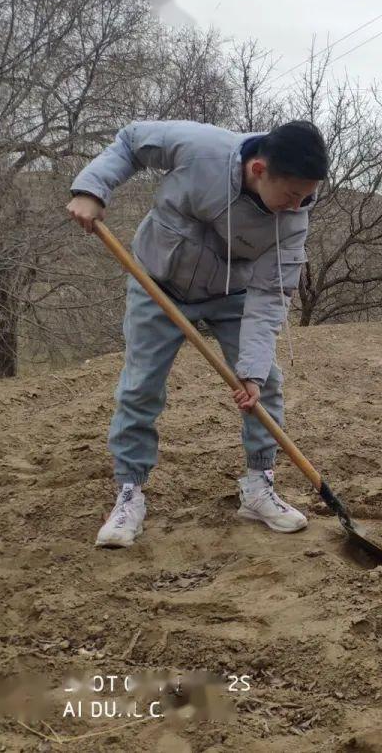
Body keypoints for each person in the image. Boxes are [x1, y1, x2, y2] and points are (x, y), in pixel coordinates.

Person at [67, 120, 329, 548]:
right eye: (293, 195)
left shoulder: (293, 220)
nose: (298, 205)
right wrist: (92, 189)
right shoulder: (201, 148)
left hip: (232, 293)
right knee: (141, 387)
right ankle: (130, 492)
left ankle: (259, 486)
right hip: (157, 280)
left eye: (307, 196)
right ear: (259, 170)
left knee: (268, 386)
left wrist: (252, 373)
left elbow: (270, 298)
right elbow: (132, 142)